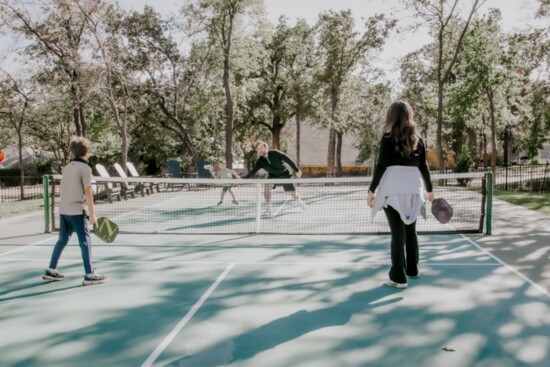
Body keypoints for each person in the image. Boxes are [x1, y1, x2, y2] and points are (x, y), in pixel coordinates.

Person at [367, 101, 434, 289]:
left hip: (392, 190)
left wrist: (371, 190)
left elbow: (381, 166)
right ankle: (412, 270)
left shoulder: (387, 138)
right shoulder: (418, 140)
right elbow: (424, 167)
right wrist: (430, 190)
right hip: (414, 190)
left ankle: (398, 277)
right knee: (410, 231)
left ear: (392, 116)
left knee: (398, 234)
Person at [42, 136, 107, 286]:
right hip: (76, 210)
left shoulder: (67, 167)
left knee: (62, 240)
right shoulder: (85, 168)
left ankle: (51, 269)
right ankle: (89, 274)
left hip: (64, 209)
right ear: (87, 151)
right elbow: (88, 191)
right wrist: (92, 215)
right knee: (85, 241)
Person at [243, 140, 306, 216]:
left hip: (285, 174)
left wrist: (296, 169)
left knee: (292, 192)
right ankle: (268, 208)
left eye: (261, 148)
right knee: (267, 185)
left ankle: (298, 201)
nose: (260, 150)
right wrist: (242, 178)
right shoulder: (260, 161)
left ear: (265, 147)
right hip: (272, 175)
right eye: (259, 149)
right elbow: (252, 172)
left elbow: (287, 159)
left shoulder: (275, 153)